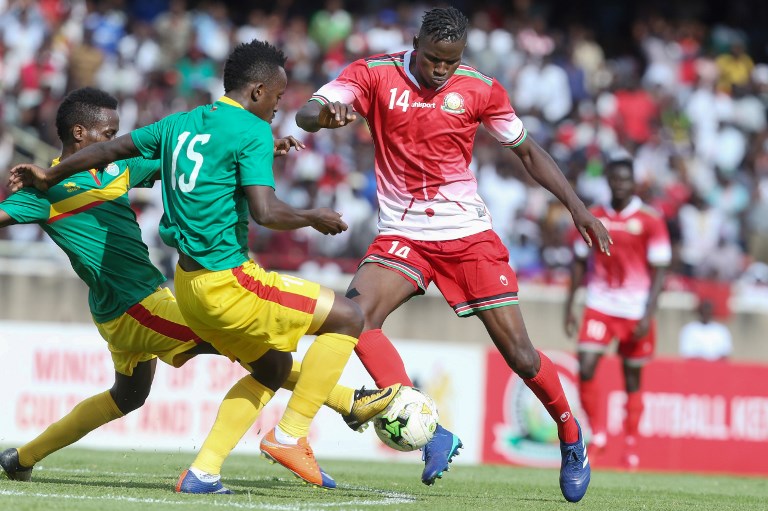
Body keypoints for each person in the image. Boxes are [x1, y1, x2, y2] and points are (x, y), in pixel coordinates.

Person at [7, 42, 397, 492]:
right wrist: (48, 178)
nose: (114, 134)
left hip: (141, 299)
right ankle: (345, 404)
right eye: (276, 97)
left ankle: (22, 457)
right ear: (78, 133)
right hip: (145, 304)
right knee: (279, 348)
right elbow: (263, 209)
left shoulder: (127, 163)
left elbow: (153, 154)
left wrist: (265, 148)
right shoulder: (43, 195)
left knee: (128, 396)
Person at [294, 7, 611, 502]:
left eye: (451, 60)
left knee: (521, 356)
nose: (441, 69)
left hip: (466, 235)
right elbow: (309, 110)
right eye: (434, 59)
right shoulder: (375, 73)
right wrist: (323, 118)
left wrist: (578, 208)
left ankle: (571, 435)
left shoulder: (480, 88)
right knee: (352, 317)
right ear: (415, 42)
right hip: (403, 231)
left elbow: (528, 152)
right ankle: (430, 430)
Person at [563, 156, 670, 470]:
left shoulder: (650, 219)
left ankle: (632, 444)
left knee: (632, 377)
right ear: (608, 180)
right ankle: (597, 436)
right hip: (600, 304)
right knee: (585, 364)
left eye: (626, 179)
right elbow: (579, 262)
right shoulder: (593, 215)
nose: (620, 184)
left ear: (633, 182)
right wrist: (570, 305)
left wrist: (649, 314)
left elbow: (661, 270)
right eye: (615, 179)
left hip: (635, 309)